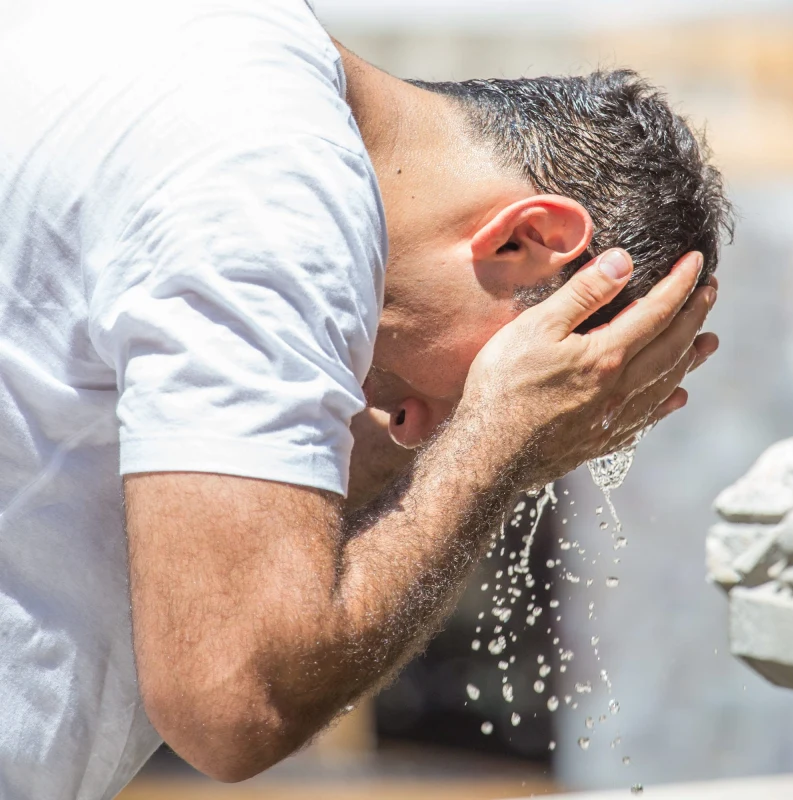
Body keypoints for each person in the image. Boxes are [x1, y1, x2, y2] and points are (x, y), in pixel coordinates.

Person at [0, 0, 731, 796]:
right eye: (465, 393)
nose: (415, 428)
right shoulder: (277, 196)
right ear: (526, 241)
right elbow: (235, 698)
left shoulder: (214, 56)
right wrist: (496, 443)